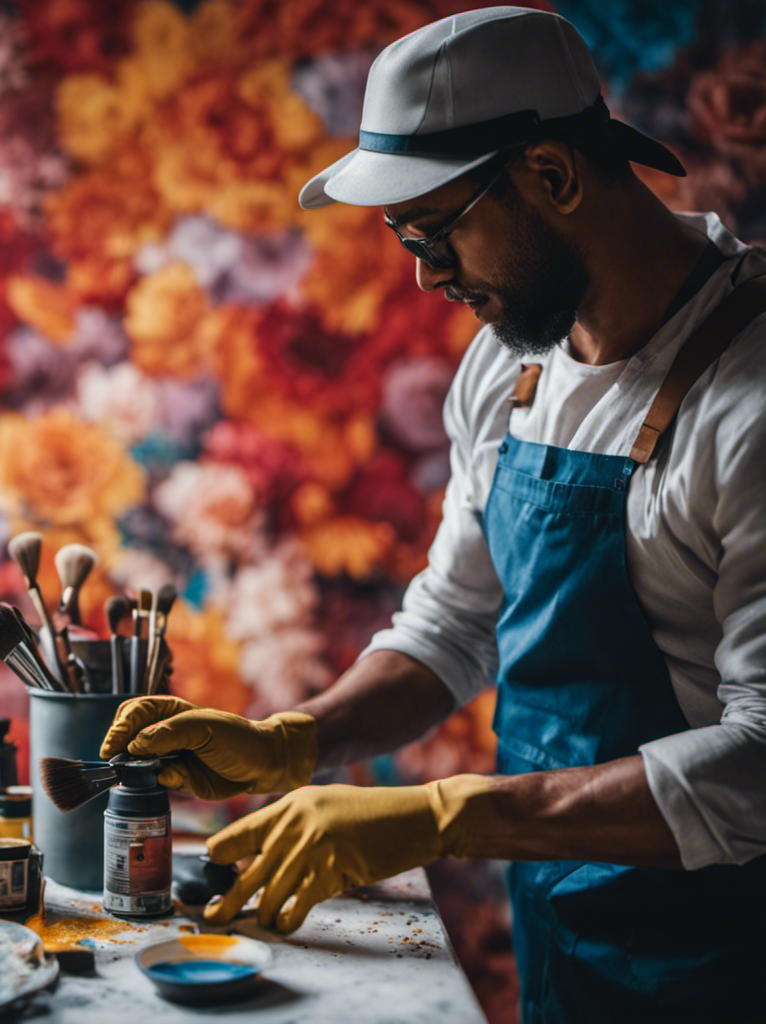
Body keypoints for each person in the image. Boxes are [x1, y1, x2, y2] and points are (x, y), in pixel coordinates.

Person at [101, 8, 766, 1022]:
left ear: (550, 176)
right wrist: (291, 741)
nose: (422, 272)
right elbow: (455, 623)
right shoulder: (510, 365)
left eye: (433, 230)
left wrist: (440, 815)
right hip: (563, 918)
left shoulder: (746, 404)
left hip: (727, 950)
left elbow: (759, 762)